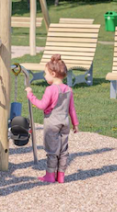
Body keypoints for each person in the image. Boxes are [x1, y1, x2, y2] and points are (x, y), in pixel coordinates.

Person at [26, 54, 79, 184]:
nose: (45, 76)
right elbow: (71, 109)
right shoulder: (69, 90)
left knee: (52, 150)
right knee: (63, 149)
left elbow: (42, 105)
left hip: (52, 123)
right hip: (64, 122)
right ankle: (61, 175)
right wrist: (75, 124)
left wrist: (30, 95)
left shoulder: (50, 90)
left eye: (46, 73)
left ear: (53, 73)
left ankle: (50, 175)